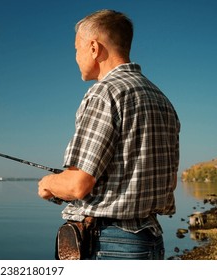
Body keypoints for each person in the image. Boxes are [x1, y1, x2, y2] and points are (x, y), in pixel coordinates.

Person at [38, 10, 180, 260]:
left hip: (111, 243)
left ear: (93, 47)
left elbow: (78, 185)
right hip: (150, 240)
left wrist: (49, 184)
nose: (75, 57)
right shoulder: (162, 100)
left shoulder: (105, 93)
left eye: (76, 49)